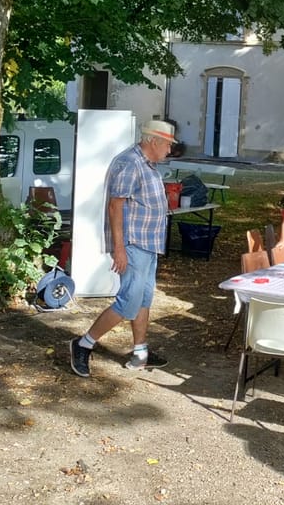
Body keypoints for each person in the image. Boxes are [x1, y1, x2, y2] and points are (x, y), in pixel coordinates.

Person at [69, 119, 177, 378]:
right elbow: (115, 206)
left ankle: (140, 354)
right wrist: (119, 248)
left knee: (143, 299)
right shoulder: (130, 163)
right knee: (128, 301)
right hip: (133, 244)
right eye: (167, 144)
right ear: (153, 141)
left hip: (148, 244)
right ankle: (83, 344)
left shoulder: (147, 164)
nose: (170, 150)